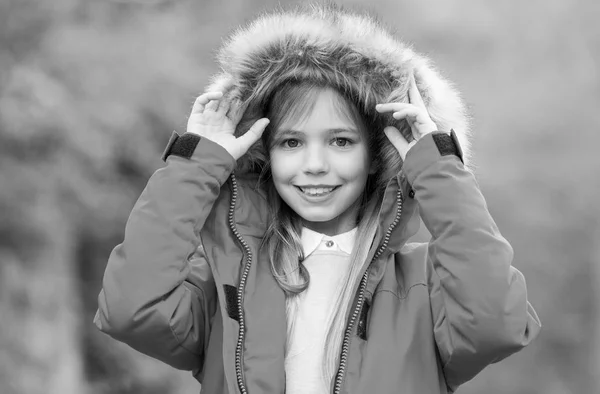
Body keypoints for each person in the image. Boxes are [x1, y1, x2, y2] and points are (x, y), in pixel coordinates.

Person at [94, 4, 541, 394]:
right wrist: (197, 165)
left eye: (341, 142)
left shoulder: (425, 282)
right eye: (291, 142)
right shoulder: (227, 276)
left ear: (376, 157)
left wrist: (435, 166)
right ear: (263, 155)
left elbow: (495, 325)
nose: (314, 165)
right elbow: (131, 311)